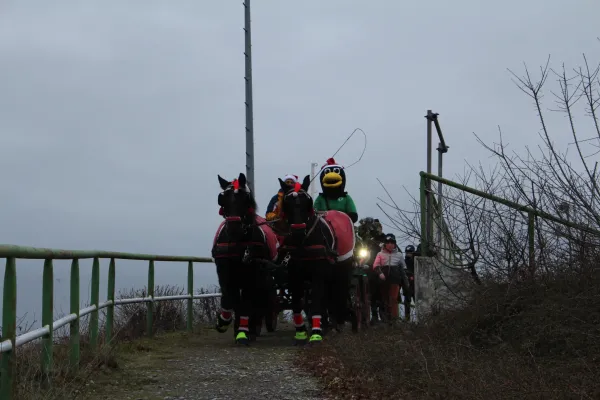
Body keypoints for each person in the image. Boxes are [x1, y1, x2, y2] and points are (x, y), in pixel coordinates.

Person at [372, 233, 410, 323]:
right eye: (388, 242)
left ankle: (394, 319)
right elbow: (375, 265)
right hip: (383, 280)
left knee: (393, 299)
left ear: (395, 244)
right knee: (384, 299)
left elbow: (403, 268)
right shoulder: (380, 254)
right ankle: (385, 318)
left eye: (392, 243)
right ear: (385, 244)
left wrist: (406, 282)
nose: (390, 245)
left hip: (395, 280)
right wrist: (380, 273)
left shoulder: (399, 255)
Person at [313, 158, 358, 223]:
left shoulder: (346, 198)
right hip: (324, 230)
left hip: (342, 229)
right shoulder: (320, 198)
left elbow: (353, 216)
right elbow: (313, 214)